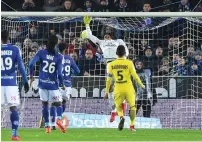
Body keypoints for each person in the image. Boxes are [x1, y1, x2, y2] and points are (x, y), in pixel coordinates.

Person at [82, 15, 129, 122]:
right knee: (110, 89)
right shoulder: (101, 42)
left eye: (108, 36)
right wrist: (87, 24)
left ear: (111, 36)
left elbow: (126, 51)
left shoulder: (118, 41)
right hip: (109, 65)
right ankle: (113, 111)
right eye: (105, 36)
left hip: (119, 63)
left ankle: (122, 108)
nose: (106, 37)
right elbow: (90, 36)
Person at [29, 35, 66, 133]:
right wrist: (61, 84)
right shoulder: (59, 56)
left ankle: (47, 127)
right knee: (58, 103)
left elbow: (31, 64)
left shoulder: (41, 52)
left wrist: (31, 76)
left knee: (44, 104)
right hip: (53, 85)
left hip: (42, 84)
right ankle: (58, 119)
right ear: (56, 43)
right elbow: (59, 74)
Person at [104, 45, 145, 131]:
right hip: (128, 87)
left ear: (116, 54)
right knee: (133, 107)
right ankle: (132, 126)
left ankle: (122, 117)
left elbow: (108, 80)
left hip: (118, 87)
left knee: (118, 106)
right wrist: (141, 85)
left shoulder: (111, 64)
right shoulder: (129, 63)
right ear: (125, 53)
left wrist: (107, 92)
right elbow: (135, 76)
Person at [1, 30, 29, 141]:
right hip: (11, 83)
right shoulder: (15, 49)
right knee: (13, 109)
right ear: (9, 38)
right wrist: (26, 81)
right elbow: (21, 67)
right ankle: (14, 134)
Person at [50, 43, 80, 130]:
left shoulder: (55, 58)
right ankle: (59, 118)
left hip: (57, 84)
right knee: (63, 102)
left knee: (53, 103)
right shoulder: (70, 59)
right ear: (65, 49)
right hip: (67, 85)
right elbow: (78, 71)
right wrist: (70, 74)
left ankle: (52, 124)